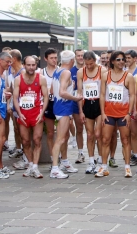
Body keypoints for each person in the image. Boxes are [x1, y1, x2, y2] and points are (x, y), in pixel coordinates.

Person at [96, 51, 135, 178]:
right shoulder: (105, 76)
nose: (121, 61)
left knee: (125, 140)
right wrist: (102, 112)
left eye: (123, 59)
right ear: (112, 61)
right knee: (105, 139)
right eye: (118, 59)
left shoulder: (128, 76)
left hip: (123, 113)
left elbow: (132, 95)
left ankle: (127, 167)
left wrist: (129, 113)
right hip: (109, 112)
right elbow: (102, 94)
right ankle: (104, 167)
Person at [13, 56, 49, 179]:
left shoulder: (41, 78)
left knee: (37, 139)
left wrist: (41, 112)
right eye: (28, 65)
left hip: (36, 113)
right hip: (23, 113)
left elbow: (45, 97)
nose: (31, 67)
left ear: (36, 66)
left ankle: (35, 166)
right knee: (25, 141)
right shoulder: (18, 79)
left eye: (33, 65)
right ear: (24, 65)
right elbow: (15, 98)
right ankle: (30, 164)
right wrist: (19, 112)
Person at [49, 50, 83, 179]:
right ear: (71, 61)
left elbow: (53, 90)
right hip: (64, 107)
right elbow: (62, 92)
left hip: (58, 106)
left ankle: (63, 162)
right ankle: (55, 168)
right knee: (60, 139)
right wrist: (76, 98)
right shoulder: (67, 72)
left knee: (64, 137)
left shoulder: (57, 71)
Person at [76, 51, 107, 174]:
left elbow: (105, 90)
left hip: (99, 103)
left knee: (98, 134)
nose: (89, 66)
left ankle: (100, 160)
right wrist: (80, 111)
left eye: (91, 63)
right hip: (87, 104)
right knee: (89, 135)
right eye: (86, 64)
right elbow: (79, 92)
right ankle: (91, 161)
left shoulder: (102, 70)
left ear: (95, 61)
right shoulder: (80, 72)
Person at [7, 50, 25, 164]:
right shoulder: (10, 71)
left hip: (22, 105)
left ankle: (25, 150)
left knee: (22, 129)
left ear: (13, 59)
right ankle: (18, 148)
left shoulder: (23, 72)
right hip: (13, 104)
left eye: (9, 58)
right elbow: (10, 88)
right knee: (16, 128)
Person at [42, 48, 59, 166]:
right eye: (51, 58)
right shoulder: (41, 72)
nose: (54, 60)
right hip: (48, 103)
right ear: (46, 59)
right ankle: (53, 157)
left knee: (64, 133)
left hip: (60, 103)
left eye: (55, 58)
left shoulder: (61, 71)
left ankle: (63, 157)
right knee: (50, 132)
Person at [71, 49, 85, 162]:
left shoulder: (91, 69)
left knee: (93, 131)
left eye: (82, 55)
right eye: (78, 55)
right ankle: (80, 153)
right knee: (79, 129)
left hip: (91, 102)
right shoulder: (71, 71)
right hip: (76, 103)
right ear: (75, 57)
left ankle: (94, 155)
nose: (80, 57)